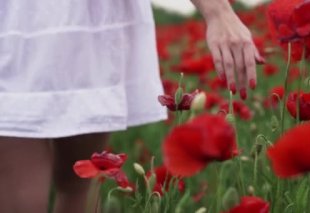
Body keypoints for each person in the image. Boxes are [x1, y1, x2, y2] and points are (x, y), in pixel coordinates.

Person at [0, 0, 262, 212]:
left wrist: (218, 11)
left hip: (87, 24)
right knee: (26, 200)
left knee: (80, 185)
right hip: (15, 20)